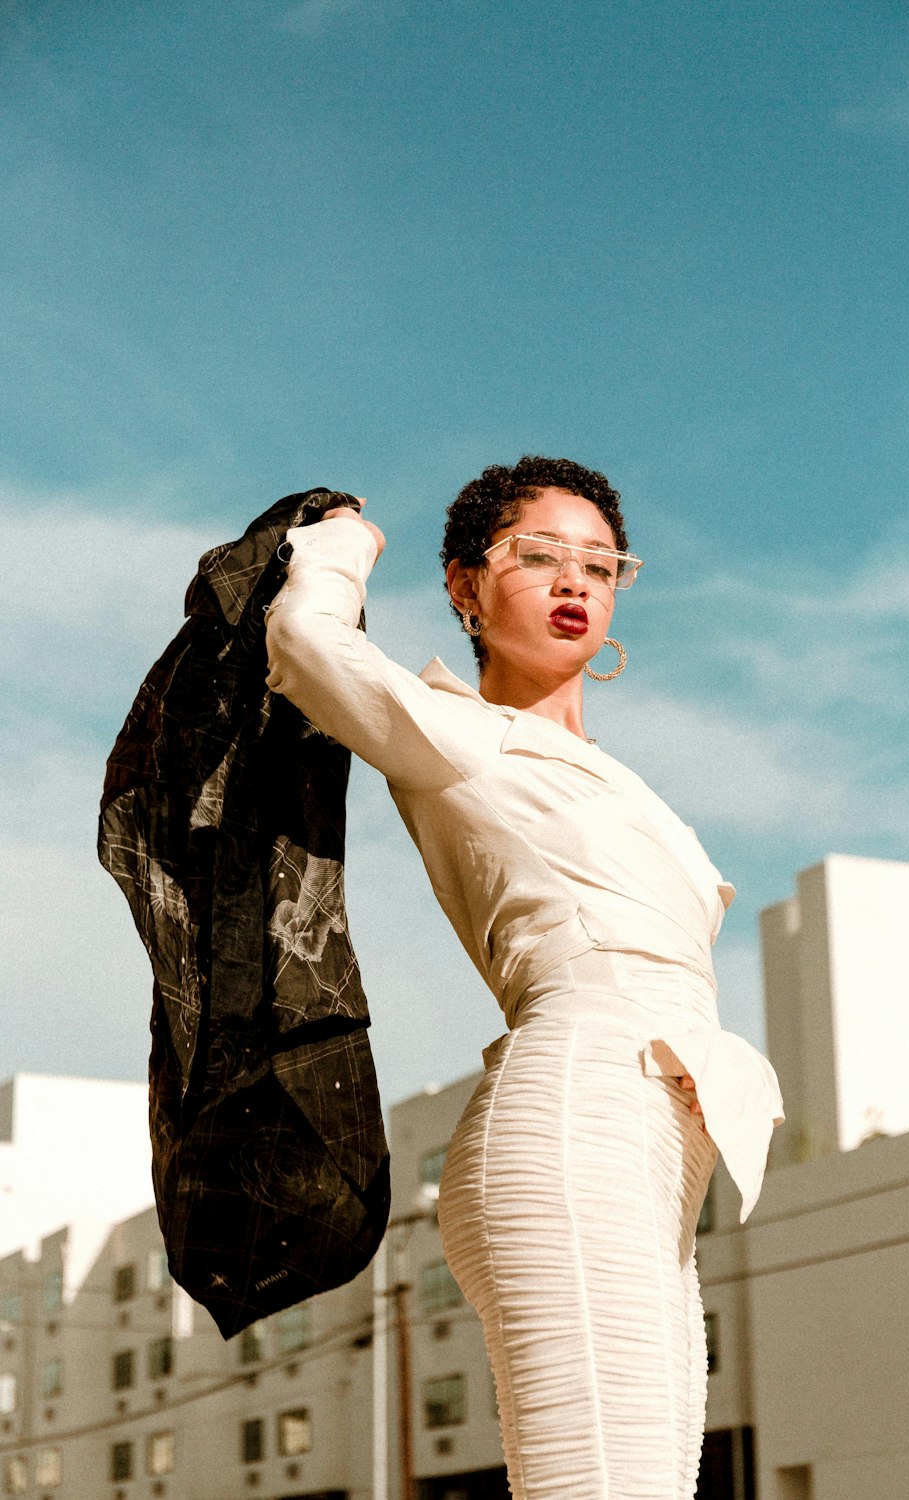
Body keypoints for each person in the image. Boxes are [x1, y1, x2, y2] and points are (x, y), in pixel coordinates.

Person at [265, 455, 783, 1500]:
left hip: (658, 1139)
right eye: (536, 556)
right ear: (462, 585)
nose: (574, 582)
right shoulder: (461, 738)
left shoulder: (621, 783)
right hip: (569, 1119)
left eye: (600, 564)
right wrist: (337, 551)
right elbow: (306, 646)